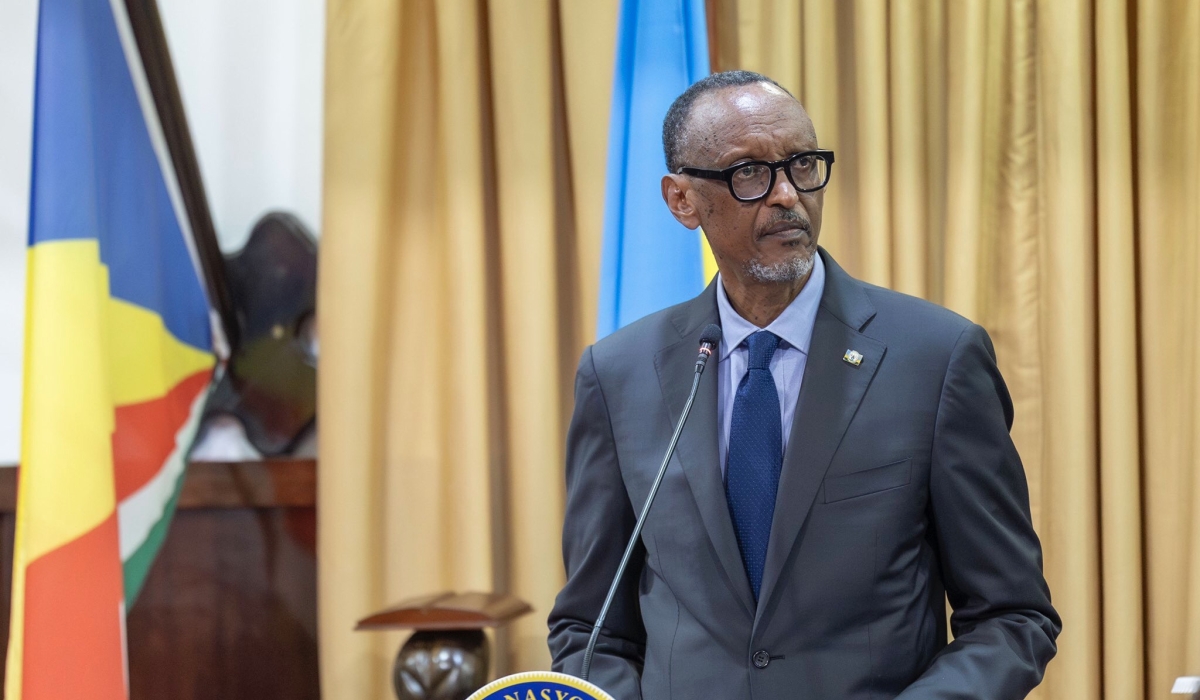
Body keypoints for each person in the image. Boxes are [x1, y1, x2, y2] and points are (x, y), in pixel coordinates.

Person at [547, 70, 1060, 699]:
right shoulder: (620, 374)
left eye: (803, 164)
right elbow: (590, 627)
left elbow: (1012, 616)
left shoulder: (935, 358)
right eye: (750, 174)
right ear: (682, 200)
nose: (788, 194)